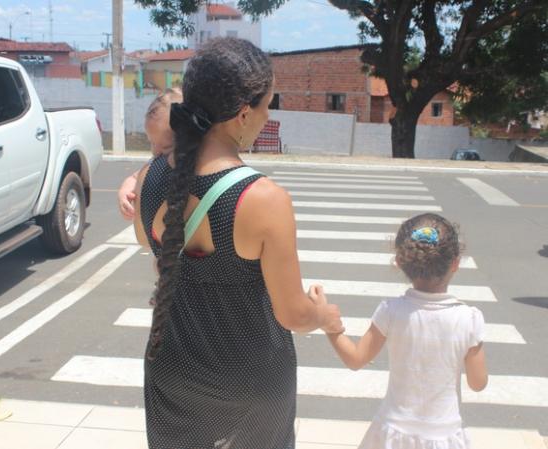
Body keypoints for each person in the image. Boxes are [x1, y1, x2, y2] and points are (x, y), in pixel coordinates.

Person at [133, 37, 344, 449]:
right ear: (243, 113)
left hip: (172, 371)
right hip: (251, 383)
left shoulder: (147, 179)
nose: (268, 116)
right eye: (268, 105)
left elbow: (150, 243)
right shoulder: (263, 199)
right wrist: (322, 314)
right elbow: (293, 315)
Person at [310, 213, 488, 449]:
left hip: (392, 433)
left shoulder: (391, 311)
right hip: (443, 434)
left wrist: (331, 327)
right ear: (455, 263)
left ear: (400, 262)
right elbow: (478, 383)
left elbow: (355, 359)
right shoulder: (469, 319)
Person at [118, 88, 182, 221]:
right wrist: (124, 192)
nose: (155, 151)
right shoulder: (157, 161)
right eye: (152, 143)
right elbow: (135, 177)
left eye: (165, 147)